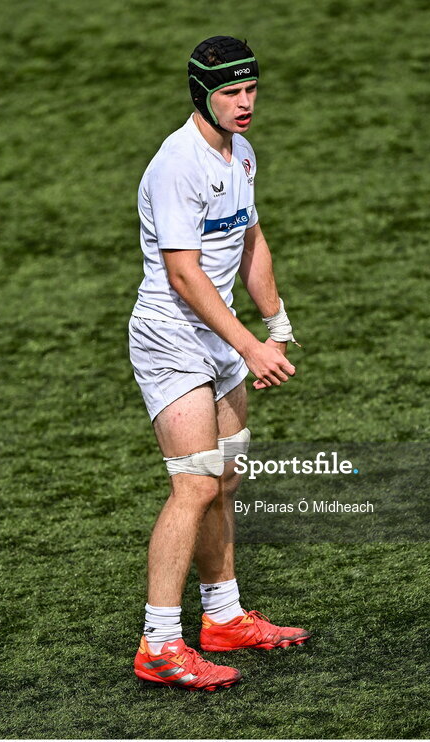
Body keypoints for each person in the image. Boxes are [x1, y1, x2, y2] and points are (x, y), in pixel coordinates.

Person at [127, 36, 310, 691]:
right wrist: (250, 346)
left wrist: (276, 325)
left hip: (219, 338)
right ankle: (159, 644)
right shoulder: (177, 163)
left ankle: (225, 618)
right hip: (172, 338)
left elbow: (250, 238)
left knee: (225, 478)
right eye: (231, 92)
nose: (245, 103)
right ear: (201, 93)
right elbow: (184, 275)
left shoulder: (242, 154)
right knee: (194, 485)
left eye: (251, 89)